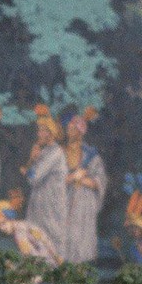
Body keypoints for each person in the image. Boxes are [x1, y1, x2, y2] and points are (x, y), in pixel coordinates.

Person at [60, 106, 105, 264]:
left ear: (80, 131)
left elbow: (99, 181)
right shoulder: (60, 152)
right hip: (64, 200)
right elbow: (55, 180)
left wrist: (82, 179)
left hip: (84, 204)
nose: (69, 132)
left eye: (73, 129)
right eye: (68, 128)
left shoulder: (90, 154)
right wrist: (73, 177)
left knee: (81, 238)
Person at [22, 104, 67, 256]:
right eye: (39, 130)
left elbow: (33, 177)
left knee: (50, 237)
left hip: (50, 204)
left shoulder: (56, 152)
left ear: (50, 133)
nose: (39, 134)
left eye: (42, 130)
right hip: (40, 202)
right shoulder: (46, 151)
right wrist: (32, 160)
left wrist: (32, 162)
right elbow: (29, 173)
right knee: (36, 237)